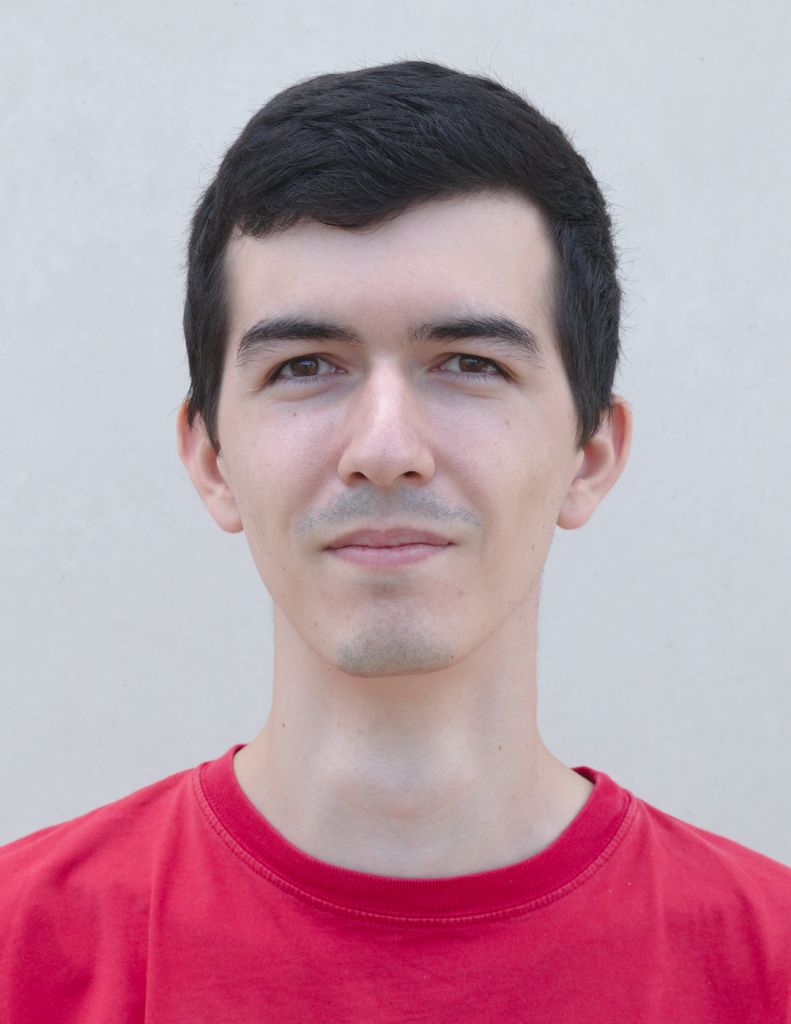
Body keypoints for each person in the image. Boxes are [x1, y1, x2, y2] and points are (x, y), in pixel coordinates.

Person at [1, 60, 789, 1022]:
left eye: (467, 363)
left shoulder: (767, 966)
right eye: (305, 366)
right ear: (211, 459)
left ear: (589, 455)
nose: (383, 450)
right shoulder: (21, 952)